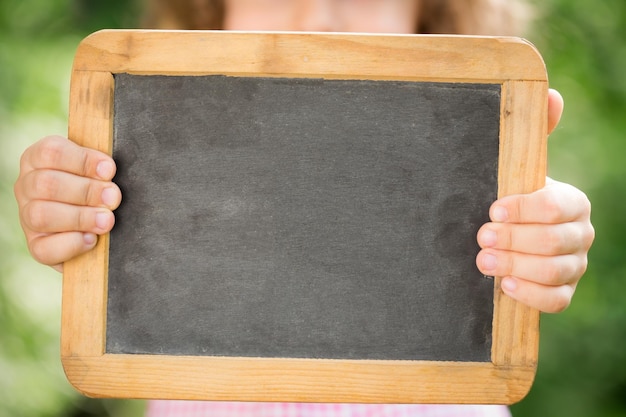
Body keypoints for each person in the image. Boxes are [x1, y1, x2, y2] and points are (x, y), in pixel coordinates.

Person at [14, 0, 595, 416]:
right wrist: (68, 207)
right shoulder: (162, 139)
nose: (318, 15)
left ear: (437, 14)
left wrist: (542, 242)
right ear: (211, 10)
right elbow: (91, 218)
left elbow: (532, 229)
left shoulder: (467, 146)